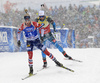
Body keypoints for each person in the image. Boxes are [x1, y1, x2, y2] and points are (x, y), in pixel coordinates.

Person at [17, 9, 63, 75]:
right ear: (25, 20)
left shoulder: (34, 23)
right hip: (29, 42)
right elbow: (18, 32)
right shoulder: (23, 25)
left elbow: (41, 28)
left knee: (45, 51)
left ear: (30, 19)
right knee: (30, 55)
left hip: (36, 40)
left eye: (28, 20)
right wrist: (18, 40)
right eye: (26, 20)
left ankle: (56, 61)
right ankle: (31, 69)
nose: (27, 22)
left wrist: (41, 36)